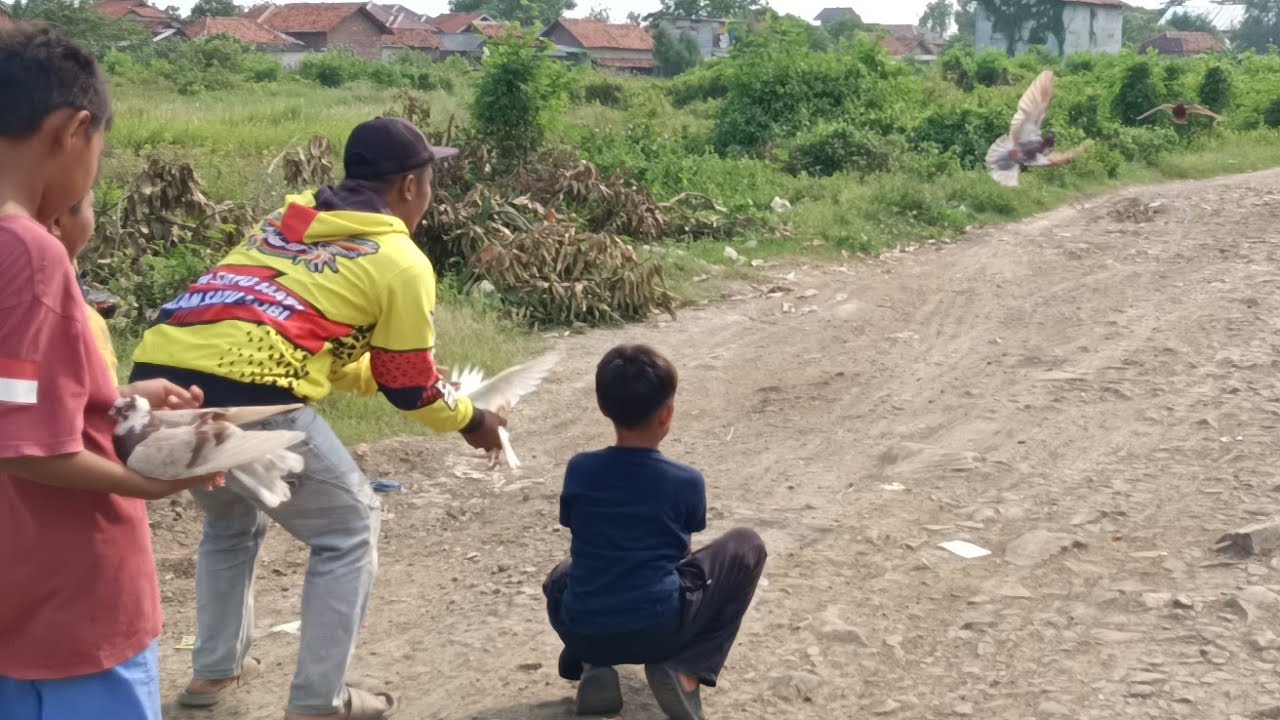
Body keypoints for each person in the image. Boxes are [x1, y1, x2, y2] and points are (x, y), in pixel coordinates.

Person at [129, 116, 508, 719]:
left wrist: (432, 393)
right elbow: (410, 387)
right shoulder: (398, 259)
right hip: (251, 393)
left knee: (231, 526)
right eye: (430, 183)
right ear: (410, 186)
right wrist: (472, 420)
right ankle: (319, 702)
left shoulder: (293, 219)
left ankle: (215, 673)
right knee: (348, 529)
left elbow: (303, 333)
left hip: (161, 378)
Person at [0, 23, 219, 720]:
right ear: (75, 129)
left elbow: (12, 402)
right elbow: (22, 447)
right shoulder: (30, 250)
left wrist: (111, 395)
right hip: (75, 606)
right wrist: (152, 481)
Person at [543, 344, 768, 720]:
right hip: (661, 628)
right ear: (667, 415)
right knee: (748, 545)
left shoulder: (579, 469)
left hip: (584, 626)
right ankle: (687, 671)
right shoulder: (686, 481)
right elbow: (682, 547)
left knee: (561, 577)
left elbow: (573, 523)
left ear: (603, 407)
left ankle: (590, 666)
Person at [52, 191, 119, 377]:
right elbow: (99, 403)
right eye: (91, 207)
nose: (94, 226)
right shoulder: (83, 321)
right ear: (58, 221)